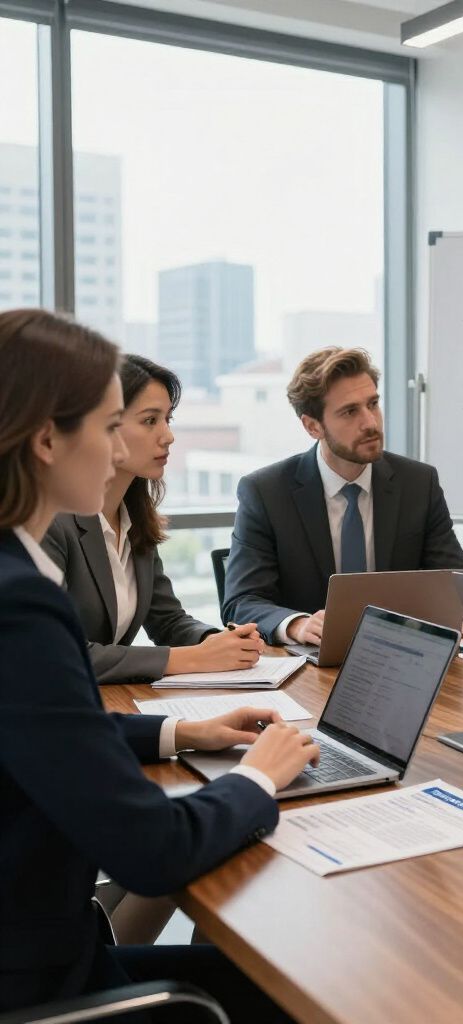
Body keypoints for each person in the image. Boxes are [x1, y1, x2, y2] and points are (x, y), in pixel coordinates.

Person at [0, 308, 319, 1017]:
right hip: (36, 979)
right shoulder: (22, 601)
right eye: (115, 424)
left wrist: (182, 735)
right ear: (48, 437)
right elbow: (153, 850)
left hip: (45, 943)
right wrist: (259, 781)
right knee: (298, 989)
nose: (125, 449)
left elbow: (40, 728)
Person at [222, 346, 463, 645]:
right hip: (309, 667)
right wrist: (297, 625)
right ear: (313, 426)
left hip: (402, 654)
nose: (370, 422)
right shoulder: (266, 492)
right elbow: (242, 601)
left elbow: (456, 586)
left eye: (373, 404)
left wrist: (455, 613)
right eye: (350, 411)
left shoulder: (418, 483)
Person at [44, 354, 263, 684]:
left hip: (106, 705)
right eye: (150, 421)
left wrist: (215, 642)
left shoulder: (133, 517)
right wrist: (190, 658)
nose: (168, 436)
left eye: (167, 420)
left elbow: (168, 620)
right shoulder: (50, 521)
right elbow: (62, 654)